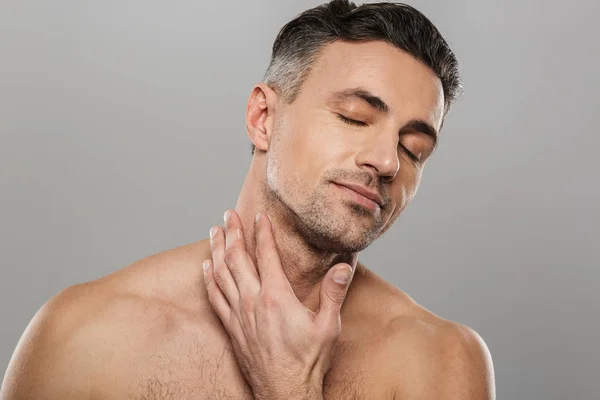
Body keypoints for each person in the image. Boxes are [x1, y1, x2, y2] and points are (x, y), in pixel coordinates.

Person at [1, 1, 495, 399]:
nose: (388, 161)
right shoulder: (85, 334)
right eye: (355, 117)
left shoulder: (440, 362)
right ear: (263, 118)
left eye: (415, 149)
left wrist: (291, 389)